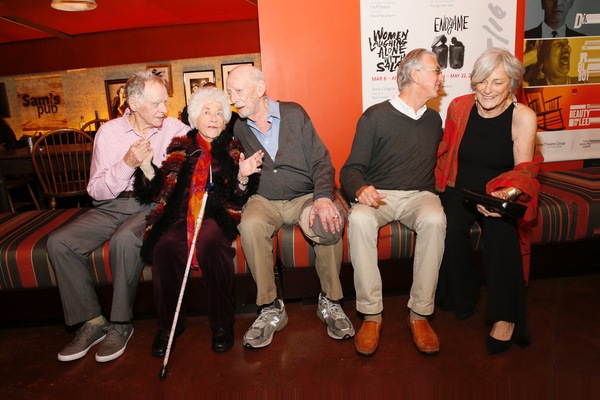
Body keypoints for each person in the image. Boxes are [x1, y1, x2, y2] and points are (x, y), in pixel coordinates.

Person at [47, 71, 189, 363]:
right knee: (59, 242)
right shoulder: (108, 133)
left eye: (166, 102)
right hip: (111, 205)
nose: (165, 109)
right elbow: (96, 191)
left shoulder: (174, 126)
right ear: (134, 103)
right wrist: (127, 164)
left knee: (125, 239)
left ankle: (121, 324)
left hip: (151, 203)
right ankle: (92, 321)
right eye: (157, 103)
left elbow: (200, 145)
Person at [226, 65, 355, 349]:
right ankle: (270, 307)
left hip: (304, 196)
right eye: (229, 92)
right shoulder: (238, 127)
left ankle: (331, 301)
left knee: (328, 222)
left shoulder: (294, 114)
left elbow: (322, 160)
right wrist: (242, 176)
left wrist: (323, 197)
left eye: (238, 91)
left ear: (260, 89)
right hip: (265, 200)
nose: (232, 98)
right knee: (249, 224)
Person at [134, 86, 262, 355]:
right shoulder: (181, 148)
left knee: (213, 244)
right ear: (194, 118)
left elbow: (237, 199)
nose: (213, 118)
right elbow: (159, 190)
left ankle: (222, 323)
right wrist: (146, 167)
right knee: (164, 246)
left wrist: (243, 177)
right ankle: (168, 326)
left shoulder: (232, 149)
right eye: (206, 112)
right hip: (179, 215)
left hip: (215, 215)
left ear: (226, 119)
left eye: (219, 112)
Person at [435, 47, 543, 355]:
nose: (487, 89)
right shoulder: (459, 107)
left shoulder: (522, 116)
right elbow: (447, 151)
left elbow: (523, 171)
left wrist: (504, 195)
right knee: (450, 225)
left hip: (499, 189)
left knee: (501, 231)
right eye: (481, 81)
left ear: (512, 83)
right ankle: (462, 296)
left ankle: (505, 316)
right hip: (460, 189)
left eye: (497, 82)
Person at [340, 48, 446, 357]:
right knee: (358, 219)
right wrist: (360, 189)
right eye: (436, 70)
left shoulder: (433, 120)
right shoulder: (375, 117)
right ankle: (372, 315)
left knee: (436, 220)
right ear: (416, 76)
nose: (441, 76)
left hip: (419, 195)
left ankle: (420, 315)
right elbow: (350, 169)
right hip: (381, 196)